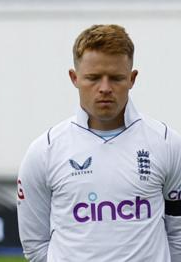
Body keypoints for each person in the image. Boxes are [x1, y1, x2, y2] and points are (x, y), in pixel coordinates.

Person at [16, 24, 181, 261]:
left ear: (132, 79)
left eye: (116, 78)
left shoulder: (167, 143)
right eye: (93, 78)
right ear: (74, 78)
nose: (105, 88)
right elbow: (35, 245)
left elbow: (178, 236)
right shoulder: (44, 151)